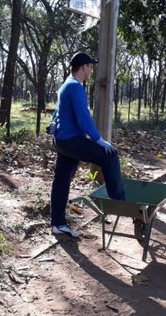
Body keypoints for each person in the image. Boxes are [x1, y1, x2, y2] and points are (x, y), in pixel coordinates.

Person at [49, 52, 126, 238]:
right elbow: (84, 119)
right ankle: (121, 203)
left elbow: (59, 112)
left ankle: (58, 224)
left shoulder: (65, 85)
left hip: (61, 141)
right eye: (90, 67)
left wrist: (54, 124)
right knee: (110, 155)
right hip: (72, 141)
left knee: (61, 180)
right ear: (83, 67)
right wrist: (99, 140)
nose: (91, 70)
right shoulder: (75, 87)